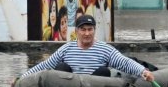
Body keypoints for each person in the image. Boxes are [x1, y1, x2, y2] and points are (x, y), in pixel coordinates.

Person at [19, 14, 156, 81]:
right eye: (83, 30)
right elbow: (45, 65)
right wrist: (21, 79)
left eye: (90, 29)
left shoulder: (104, 49)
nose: (87, 33)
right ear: (77, 31)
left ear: (94, 30)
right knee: (61, 68)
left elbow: (124, 62)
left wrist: (143, 72)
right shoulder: (66, 49)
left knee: (103, 71)